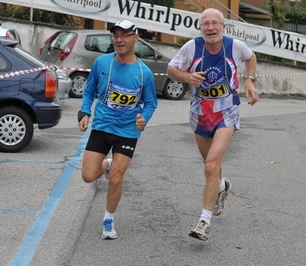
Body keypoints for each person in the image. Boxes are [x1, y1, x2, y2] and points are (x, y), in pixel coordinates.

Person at [167, 8, 259, 241]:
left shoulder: (235, 46)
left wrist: (249, 81)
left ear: (223, 26)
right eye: (205, 24)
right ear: (200, 29)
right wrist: (187, 77)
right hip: (200, 114)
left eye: (215, 23)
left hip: (226, 112)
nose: (210, 28)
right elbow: (171, 69)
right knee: (211, 165)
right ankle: (222, 185)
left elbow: (250, 57)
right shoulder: (191, 48)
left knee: (210, 165)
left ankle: (204, 223)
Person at [78, 20, 158, 239]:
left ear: (135, 38)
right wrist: (84, 112)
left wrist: (144, 118)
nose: (119, 40)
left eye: (125, 35)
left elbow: (151, 102)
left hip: (127, 131)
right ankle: (107, 164)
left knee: (115, 180)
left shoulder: (144, 73)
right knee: (88, 176)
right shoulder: (102, 63)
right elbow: (88, 91)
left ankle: (108, 219)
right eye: (116, 36)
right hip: (102, 126)